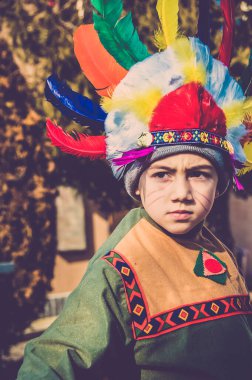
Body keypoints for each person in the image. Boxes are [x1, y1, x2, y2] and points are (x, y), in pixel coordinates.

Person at [18, 0, 252, 379]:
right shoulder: (121, 265)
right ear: (137, 185)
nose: (181, 192)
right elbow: (54, 360)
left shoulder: (210, 243)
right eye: (162, 174)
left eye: (199, 174)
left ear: (221, 182)